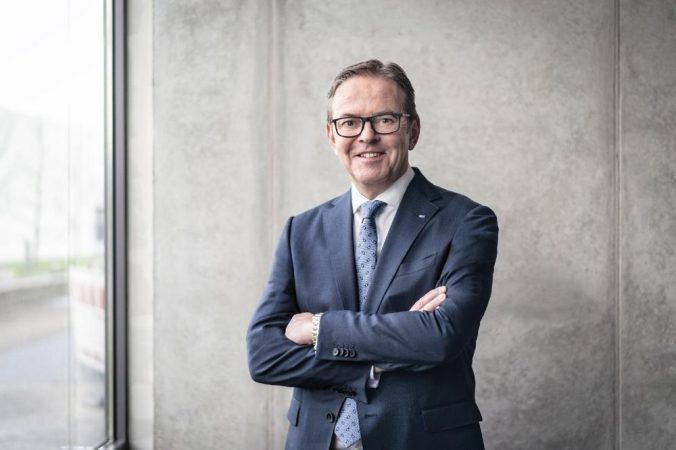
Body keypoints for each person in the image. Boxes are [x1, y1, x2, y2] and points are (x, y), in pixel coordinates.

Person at [246, 59, 498, 450]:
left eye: (384, 120)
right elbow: (264, 355)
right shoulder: (301, 230)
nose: (367, 136)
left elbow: (442, 337)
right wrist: (375, 362)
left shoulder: (466, 222)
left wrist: (319, 329)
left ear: (413, 130)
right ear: (331, 136)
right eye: (349, 122)